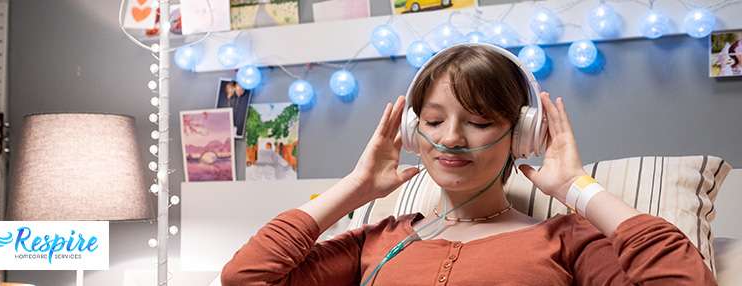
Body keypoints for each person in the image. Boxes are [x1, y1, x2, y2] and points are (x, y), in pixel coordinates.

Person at [221, 44, 716, 285]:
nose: (451, 139)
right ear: (414, 132)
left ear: (520, 133)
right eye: (433, 121)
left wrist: (578, 188)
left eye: (479, 121)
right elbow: (246, 278)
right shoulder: (381, 239)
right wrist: (356, 187)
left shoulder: (565, 238)